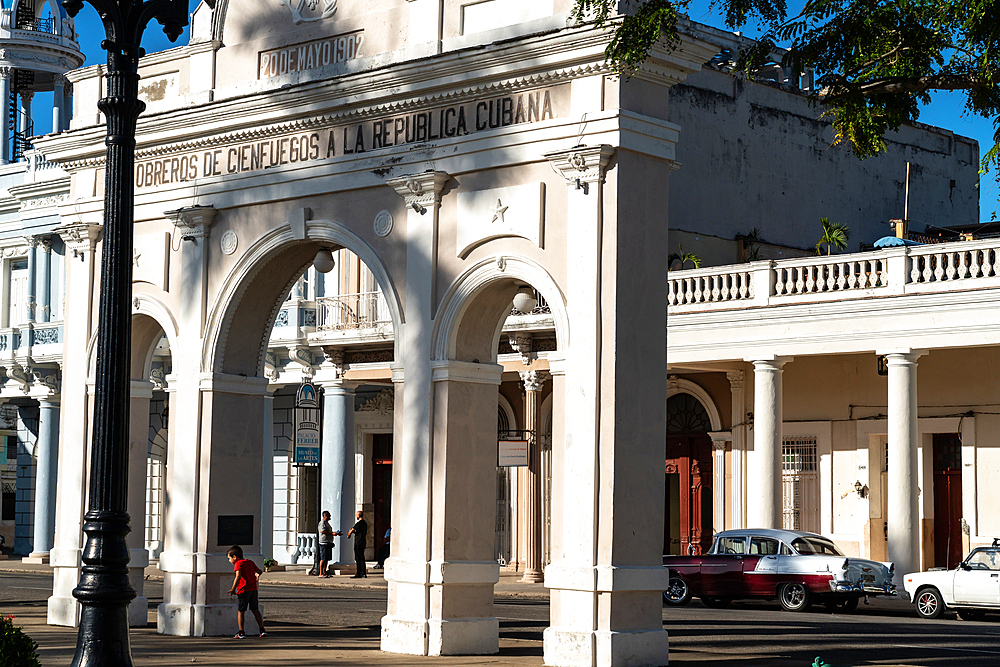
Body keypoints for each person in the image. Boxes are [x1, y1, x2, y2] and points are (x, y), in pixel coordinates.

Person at [226, 545, 266, 639]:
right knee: (255, 610)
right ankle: (262, 630)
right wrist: (257, 574)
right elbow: (259, 571)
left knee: (241, 611)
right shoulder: (250, 562)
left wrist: (233, 589)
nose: (229, 561)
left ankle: (241, 632)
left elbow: (238, 576)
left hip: (243, 590)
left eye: (229, 558)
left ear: (235, 557)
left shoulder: (238, 564)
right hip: (253, 589)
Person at [317, 510, 341, 578]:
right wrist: (332, 533)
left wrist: (336, 533)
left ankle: (325, 572)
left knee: (327, 558)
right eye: (329, 515)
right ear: (325, 516)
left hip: (328, 542)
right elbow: (322, 531)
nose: (330, 516)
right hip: (323, 543)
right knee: (323, 558)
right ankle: (321, 573)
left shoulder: (327, 523)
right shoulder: (322, 523)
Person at [347, 510, 368, 578]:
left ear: (358, 516)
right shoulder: (364, 523)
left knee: (358, 558)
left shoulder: (359, 523)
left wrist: (349, 535)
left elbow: (352, 529)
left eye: (356, 515)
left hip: (358, 542)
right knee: (362, 557)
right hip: (363, 541)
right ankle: (363, 572)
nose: (356, 516)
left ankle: (359, 573)